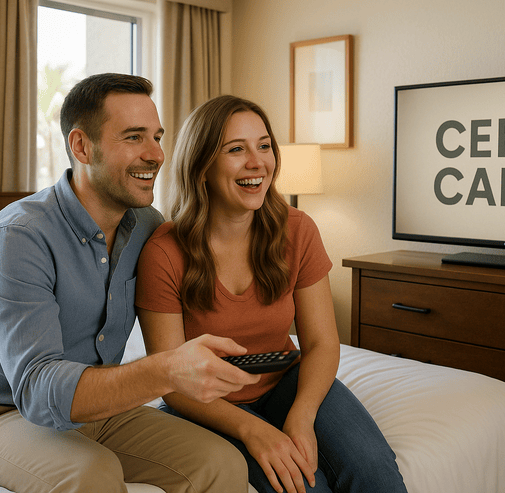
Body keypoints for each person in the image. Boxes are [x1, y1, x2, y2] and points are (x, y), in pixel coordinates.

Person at [0, 74, 261, 493]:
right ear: (80, 146)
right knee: (92, 475)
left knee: (223, 462)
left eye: (157, 137)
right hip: (2, 415)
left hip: (106, 408)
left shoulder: (149, 226)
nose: (156, 154)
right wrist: (167, 371)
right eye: (133, 137)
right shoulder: (18, 237)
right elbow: (37, 391)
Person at [135, 95, 408, 493]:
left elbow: (321, 342)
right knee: (305, 486)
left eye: (264, 146)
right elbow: (172, 383)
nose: (257, 162)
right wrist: (254, 431)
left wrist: (302, 415)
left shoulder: (298, 230)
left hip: (287, 383)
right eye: (236, 149)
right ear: (203, 165)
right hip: (207, 405)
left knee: (376, 471)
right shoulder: (163, 251)